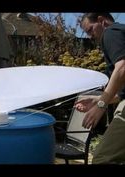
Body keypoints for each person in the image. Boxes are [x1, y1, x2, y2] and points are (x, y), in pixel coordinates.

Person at [75, 13, 125, 164]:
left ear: (101, 21)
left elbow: (122, 67)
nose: (90, 36)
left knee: (102, 158)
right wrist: (97, 100)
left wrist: (101, 105)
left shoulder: (110, 32)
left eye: (90, 30)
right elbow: (122, 93)